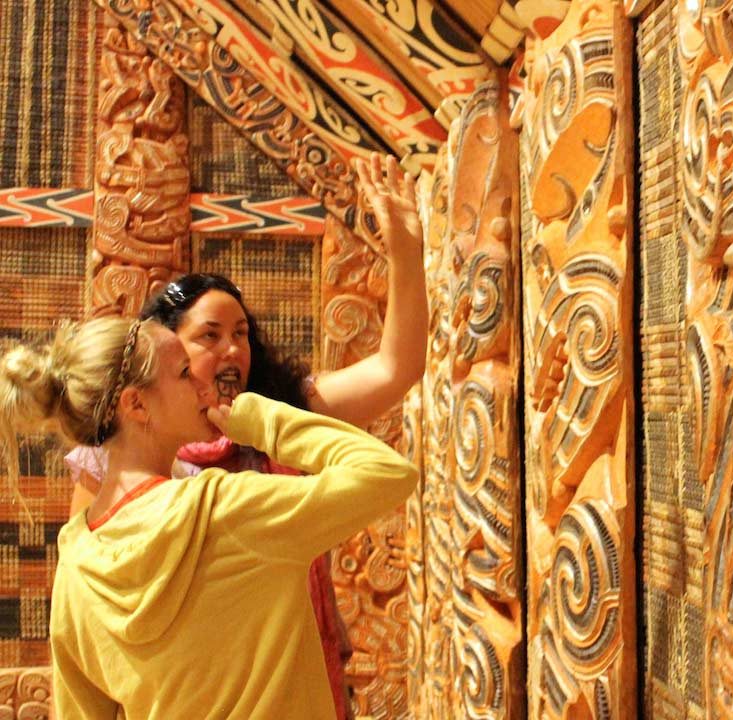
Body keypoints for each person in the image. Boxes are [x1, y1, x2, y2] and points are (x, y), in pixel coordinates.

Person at [61, 152, 426, 718]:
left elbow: (393, 370)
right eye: (208, 338)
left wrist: (407, 252)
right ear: (164, 355)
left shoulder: (279, 412)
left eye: (242, 333)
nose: (233, 349)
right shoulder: (192, 489)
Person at [0, 315, 417, 718]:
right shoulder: (227, 512)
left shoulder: (76, 567)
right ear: (136, 404)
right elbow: (386, 473)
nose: (203, 384)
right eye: (184, 372)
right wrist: (263, 420)